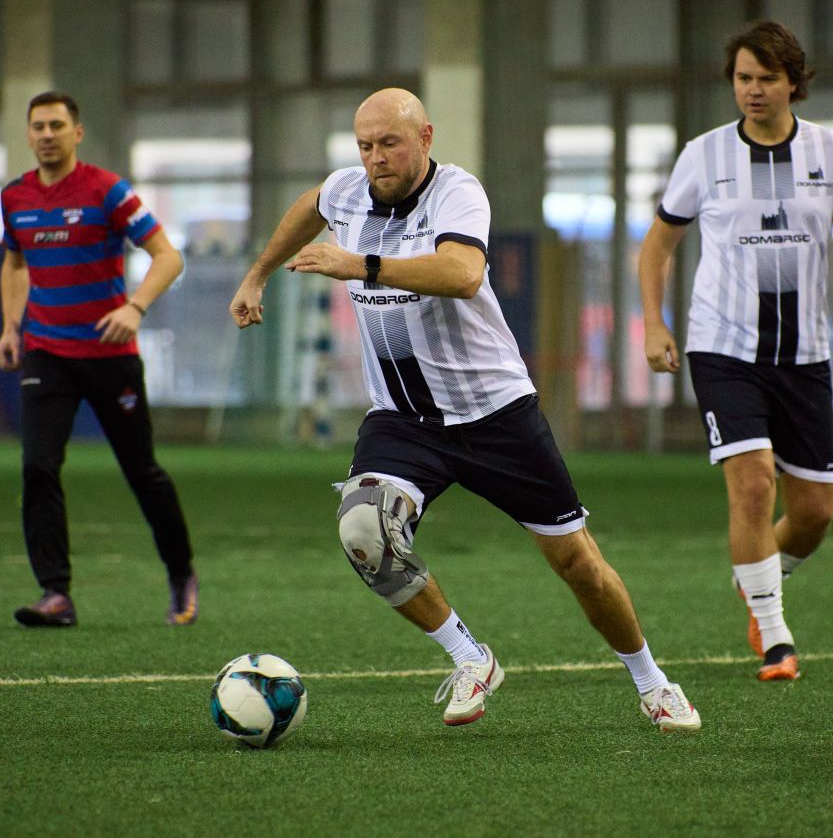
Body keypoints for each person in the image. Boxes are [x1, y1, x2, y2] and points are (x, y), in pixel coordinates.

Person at [230, 88, 700, 733]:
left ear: (424, 138)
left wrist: (358, 264)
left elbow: (462, 274)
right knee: (364, 532)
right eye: (365, 146)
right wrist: (258, 273)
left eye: (389, 144)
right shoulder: (347, 191)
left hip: (494, 414)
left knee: (579, 565)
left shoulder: (457, 192)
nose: (375, 159)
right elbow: (311, 205)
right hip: (402, 420)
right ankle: (470, 657)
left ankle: (654, 683)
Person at [638, 19, 833, 682]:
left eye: (767, 78)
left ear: (794, 83)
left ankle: (756, 579)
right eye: (743, 78)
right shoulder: (704, 155)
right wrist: (654, 324)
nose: (753, 89)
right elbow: (657, 246)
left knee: (814, 513)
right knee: (753, 484)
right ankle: (775, 635)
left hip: (805, 353)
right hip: (722, 347)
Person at [0, 92, 198, 627]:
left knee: (142, 471)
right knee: (38, 466)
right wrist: (12, 326)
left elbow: (168, 256)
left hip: (110, 354)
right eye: (38, 126)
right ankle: (55, 594)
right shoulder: (14, 197)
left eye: (57, 125)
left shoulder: (108, 191)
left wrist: (135, 307)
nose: (47, 134)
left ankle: (181, 573)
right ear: (28, 133)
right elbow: (15, 263)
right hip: (46, 353)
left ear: (77, 133)